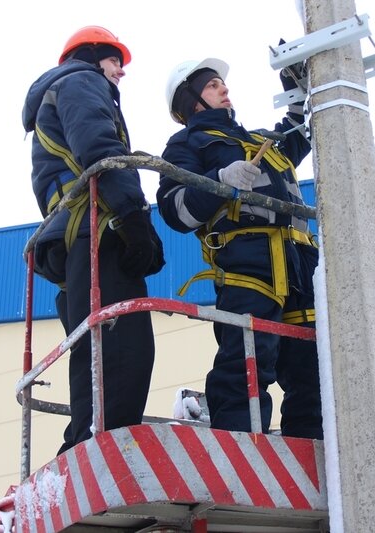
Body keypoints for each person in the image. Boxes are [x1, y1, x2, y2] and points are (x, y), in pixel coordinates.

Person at [156, 58, 322, 439]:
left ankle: (315, 455)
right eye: (213, 85)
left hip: (300, 268)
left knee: (312, 369)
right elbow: (175, 209)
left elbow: (299, 135)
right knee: (246, 366)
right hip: (249, 269)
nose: (224, 89)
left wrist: (297, 92)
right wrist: (219, 181)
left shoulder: (257, 141)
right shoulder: (187, 144)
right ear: (191, 99)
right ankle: (241, 452)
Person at [21, 26, 164, 455]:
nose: (120, 72)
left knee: (96, 351)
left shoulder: (56, 94)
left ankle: (85, 442)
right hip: (97, 230)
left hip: (75, 241)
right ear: (93, 55)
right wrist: (135, 216)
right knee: (125, 350)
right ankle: (104, 449)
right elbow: (101, 147)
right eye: (116, 61)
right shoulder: (81, 81)